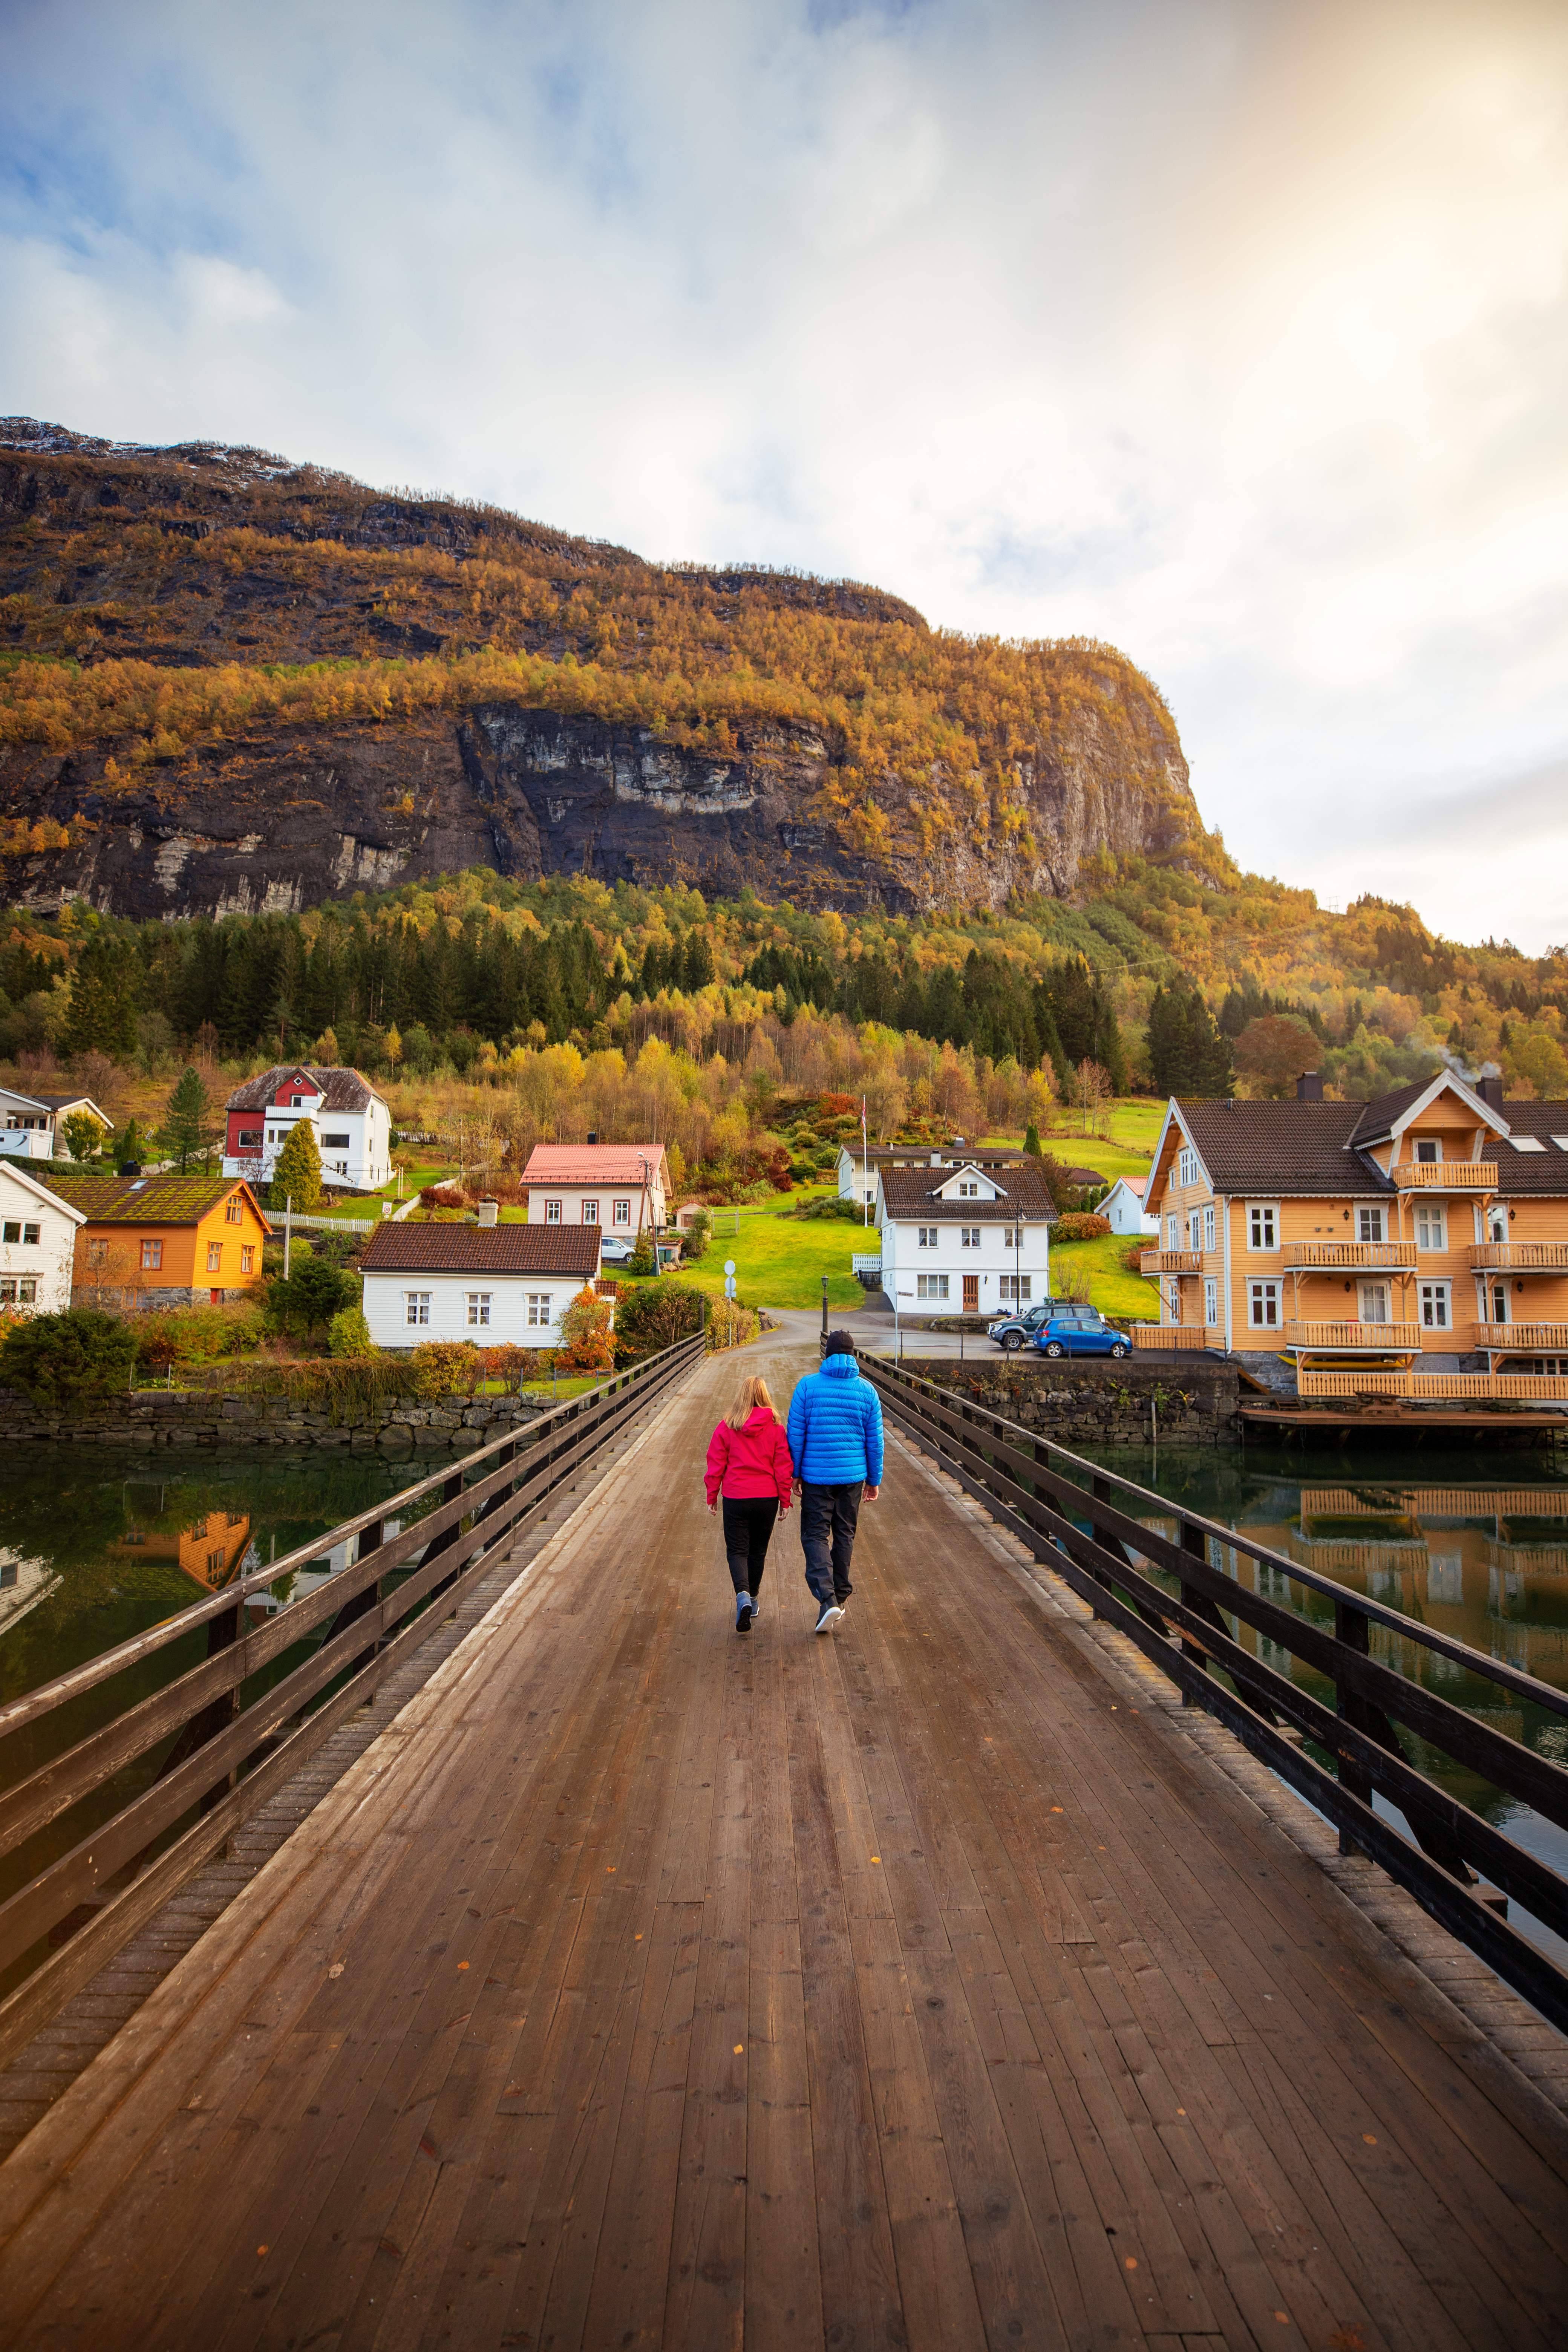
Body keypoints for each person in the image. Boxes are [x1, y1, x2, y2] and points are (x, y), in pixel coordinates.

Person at [785, 1331, 883, 1633]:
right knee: (845, 1535)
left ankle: (828, 1599)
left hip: (816, 1477)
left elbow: (795, 1435)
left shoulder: (807, 1387)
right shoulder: (867, 1391)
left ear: (826, 1354)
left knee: (815, 1536)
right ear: (854, 1356)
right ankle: (838, 1596)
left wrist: (795, 1473)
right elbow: (875, 1441)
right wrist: (874, 1480)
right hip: (853, 1478)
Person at [704, 1373, 795, 1632]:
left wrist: (713, 1495)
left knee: (737, 1551)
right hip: (767, 1498)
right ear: (765, 1397)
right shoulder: (777, 1428)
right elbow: (783, 1466)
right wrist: (785, 1499)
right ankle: (753, 1599)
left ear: (741, 1397)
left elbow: (716, 1463)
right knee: (758, 1551)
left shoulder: (727, 1427)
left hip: (736, 1496)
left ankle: (742, 1595)